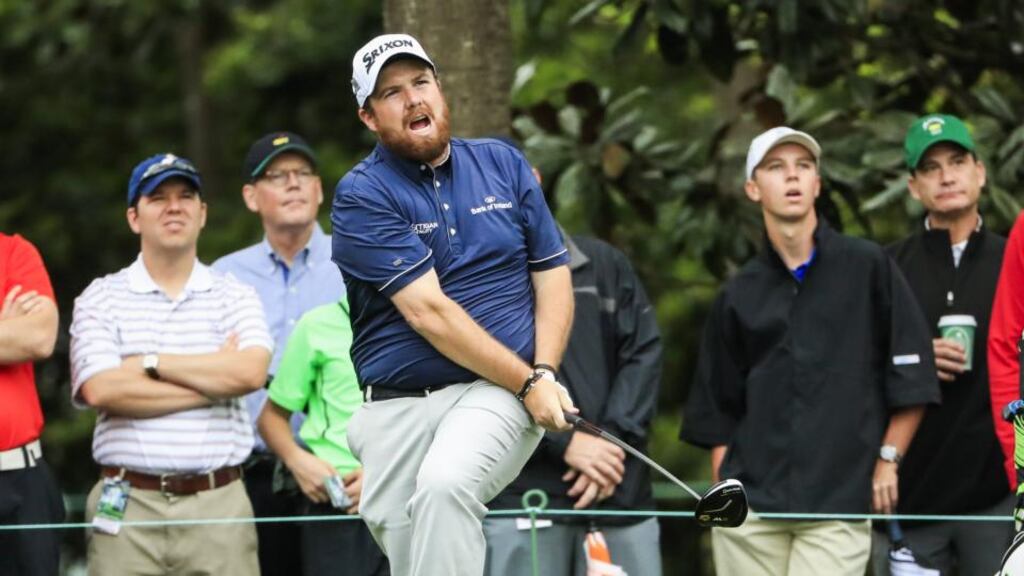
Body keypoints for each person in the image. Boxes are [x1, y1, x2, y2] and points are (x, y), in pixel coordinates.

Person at [332, 33, 576, 576]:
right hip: (396, 406)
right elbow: (428, 313)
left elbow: (552, 273)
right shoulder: (361, 195)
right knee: (413, 548)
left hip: (499, 388)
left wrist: (540, 373)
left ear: (440, 89)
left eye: (421, 83)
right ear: (369, 117)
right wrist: (533, 382)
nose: (413, 99)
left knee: (445, 488)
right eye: (392, 93)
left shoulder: (503, 164)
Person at [680, 127, 941, 576]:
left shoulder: (869, 266)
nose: (793, 177)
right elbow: (718, 408)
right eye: (776, 167)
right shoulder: (739, 291)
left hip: (837, 507)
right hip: (751, 515)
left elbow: (913, 377)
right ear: (752, 188)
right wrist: (728, 493)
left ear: (818, 184)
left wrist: (887, 461)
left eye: (804, 166)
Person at [70, 153, 273, 575]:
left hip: (218, 504)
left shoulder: (235, 294)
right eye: (157, 198)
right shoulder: (100, 297)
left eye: (185, 196)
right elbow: (101, 390)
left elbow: (250, 373)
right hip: (126, 507)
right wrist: (214, 376)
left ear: (202, 214)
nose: (174, 206)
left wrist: (148, 362)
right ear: (133, 218)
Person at [869, 114, 1012, 575]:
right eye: (930, 168)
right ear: (913, 187)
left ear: (980, 172)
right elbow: (854, 369)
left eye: (957, 161)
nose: (947, 176)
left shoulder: (1014, 258)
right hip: (909, 497)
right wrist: (916, 359)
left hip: (998, 497)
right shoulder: (886, 267)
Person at [484, 226, 663, 575]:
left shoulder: (604, 263)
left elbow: (643, 356)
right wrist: (563, 442)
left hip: (619, 496)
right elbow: (475, 375)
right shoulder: (469, 273)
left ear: (533, 182)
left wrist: (607, 440)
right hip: (521, 502)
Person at [213, 131, 343, 575]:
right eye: (278, 176)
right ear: (251, 197)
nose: (293, 184)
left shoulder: (356, 264)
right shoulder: (223, 278)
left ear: (319, 189)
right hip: (253, 476)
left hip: (346, 474)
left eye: (303, 174)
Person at [258, 296, 389, 575]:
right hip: (338, 505)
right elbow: (271, 418)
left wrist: (385, 474)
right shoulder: (316, 325)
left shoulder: (428, 322)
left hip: (409, 500)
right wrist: (297, 460)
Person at [0, 235, 62, 576]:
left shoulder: (13, 252)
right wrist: (6, 329)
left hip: (20, 483)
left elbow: (39, 337)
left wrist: (19, 333)